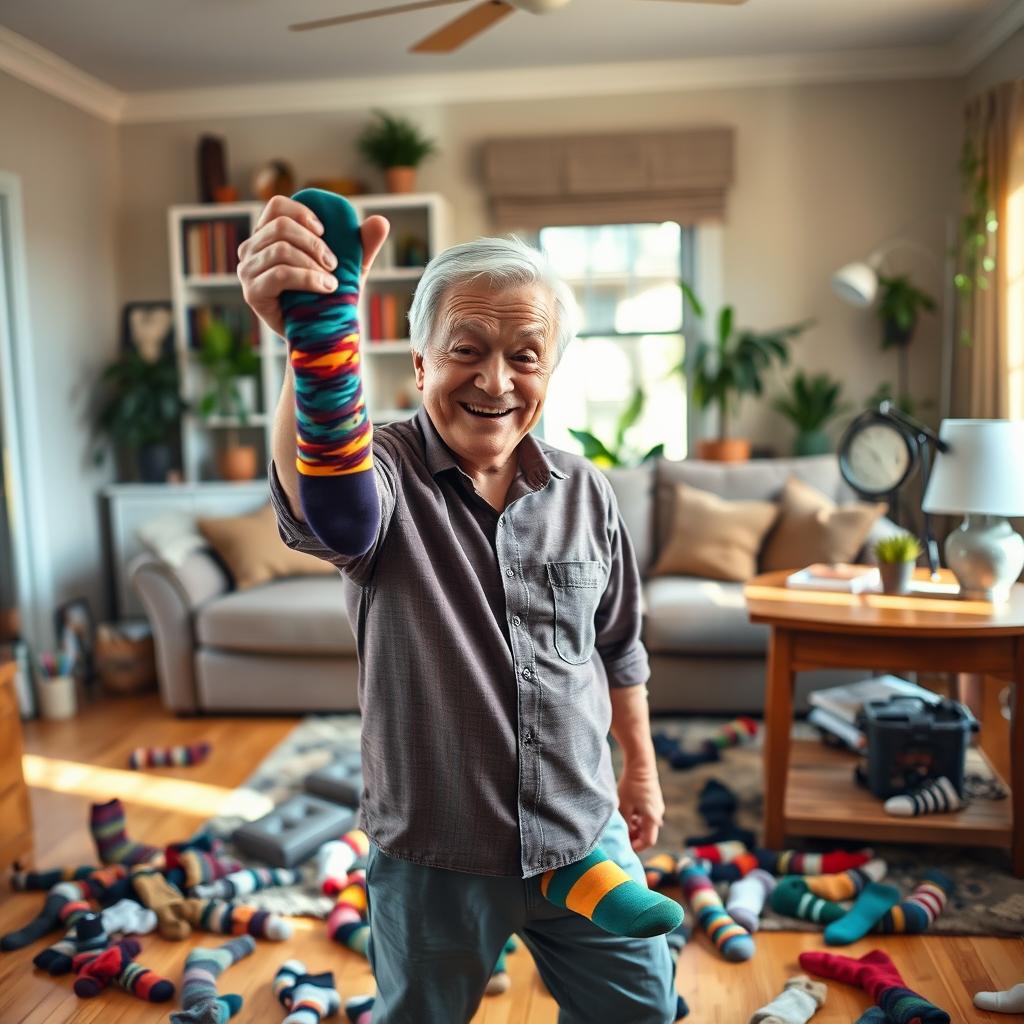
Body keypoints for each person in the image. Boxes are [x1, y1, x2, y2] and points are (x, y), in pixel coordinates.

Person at [238, 192, 684, 1023]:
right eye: (466, 350)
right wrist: (313, 339)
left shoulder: (586, 489)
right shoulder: (385, 471)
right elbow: (330, 503)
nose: (495, 379)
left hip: (582, 833)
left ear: (549, 373)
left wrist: (642, 773)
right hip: (436, 856)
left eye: (526, 356)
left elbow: (618, 647)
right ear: (418, 366)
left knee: (643, 1010)